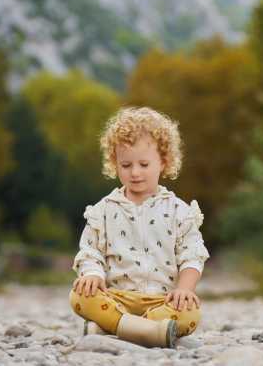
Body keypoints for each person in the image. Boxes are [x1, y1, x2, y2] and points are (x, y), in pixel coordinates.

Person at [69, 106, 210, 348]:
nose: (135, 173)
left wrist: (185, 290)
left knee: (190, 314)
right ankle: (148, 332)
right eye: (126, 165)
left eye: (144, 164)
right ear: (115, 163)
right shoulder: (104, 210)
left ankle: (112, 327)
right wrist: (92, 275)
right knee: (79, 297)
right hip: (116, 298)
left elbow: (192, 255)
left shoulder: (179, 211)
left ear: (164, 162)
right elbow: (90, 251)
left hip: (161, 301)